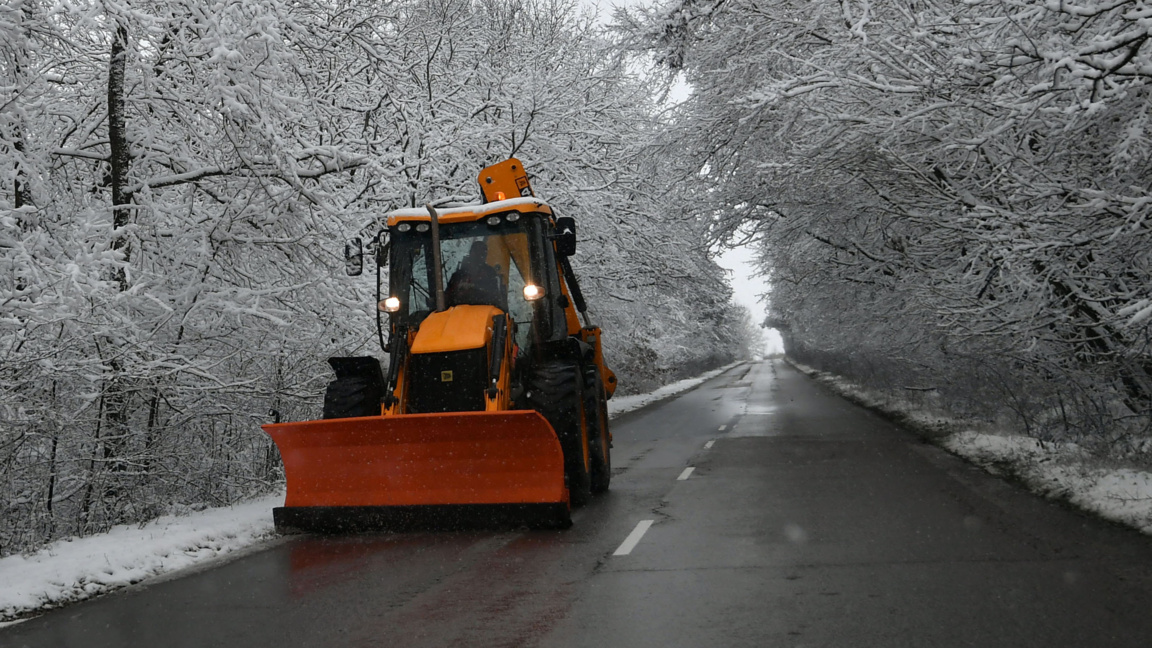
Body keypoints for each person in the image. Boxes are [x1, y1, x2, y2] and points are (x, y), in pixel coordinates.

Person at [445, 240, 506, 309]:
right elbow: (447, 298)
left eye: (483, 254)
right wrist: (460, 292)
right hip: (458, 313)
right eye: (477, 253)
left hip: (484, 312)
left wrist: (475, 288)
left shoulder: (490, 274)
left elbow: (495, 297)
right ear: (471, 253)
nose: (480, 257)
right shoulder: (457, 276)